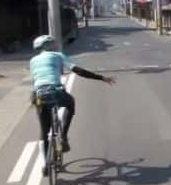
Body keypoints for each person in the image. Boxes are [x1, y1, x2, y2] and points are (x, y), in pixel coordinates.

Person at [29, 35, 115, 175]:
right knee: (70, 103)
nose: (55, 45)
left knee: (44, 131)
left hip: (39, 95)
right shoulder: (57, 55)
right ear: (48, 45)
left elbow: (35, 81)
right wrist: (102, 78)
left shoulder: (33, 61)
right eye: (52, 43)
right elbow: (78, 71)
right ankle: (63, 136)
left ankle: (45, 165)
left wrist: (34, 98)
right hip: (56, 92)